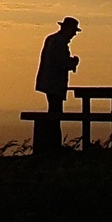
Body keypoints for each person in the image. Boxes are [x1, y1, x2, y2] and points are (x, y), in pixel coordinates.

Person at [34, 18, 81, 147]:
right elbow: (61, 63)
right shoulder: (59, 42)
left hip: (49, 83)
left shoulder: (52, 39)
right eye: (73, 31)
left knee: (54, 111)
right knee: (55, 113)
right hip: (54, 84)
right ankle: (54, 144)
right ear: (68, 29)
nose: (74, 34)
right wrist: (73, 62)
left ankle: (52, 143)